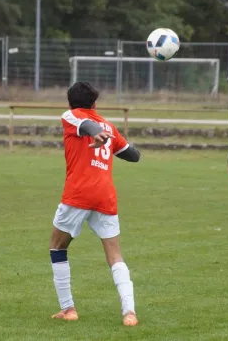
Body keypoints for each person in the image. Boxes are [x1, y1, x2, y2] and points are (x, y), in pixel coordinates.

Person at [49, 81, 142, 326]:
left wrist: (95, 133)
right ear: (95, 103)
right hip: (105, 195)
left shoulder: (70, 115)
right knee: (115, 256)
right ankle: (129, 313)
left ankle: (68, 309)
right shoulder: (108, 125)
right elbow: (133, 155)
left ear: (70, 103)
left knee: (57, 247)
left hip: (78, 194)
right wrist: (108, 139)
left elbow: (84, 123)